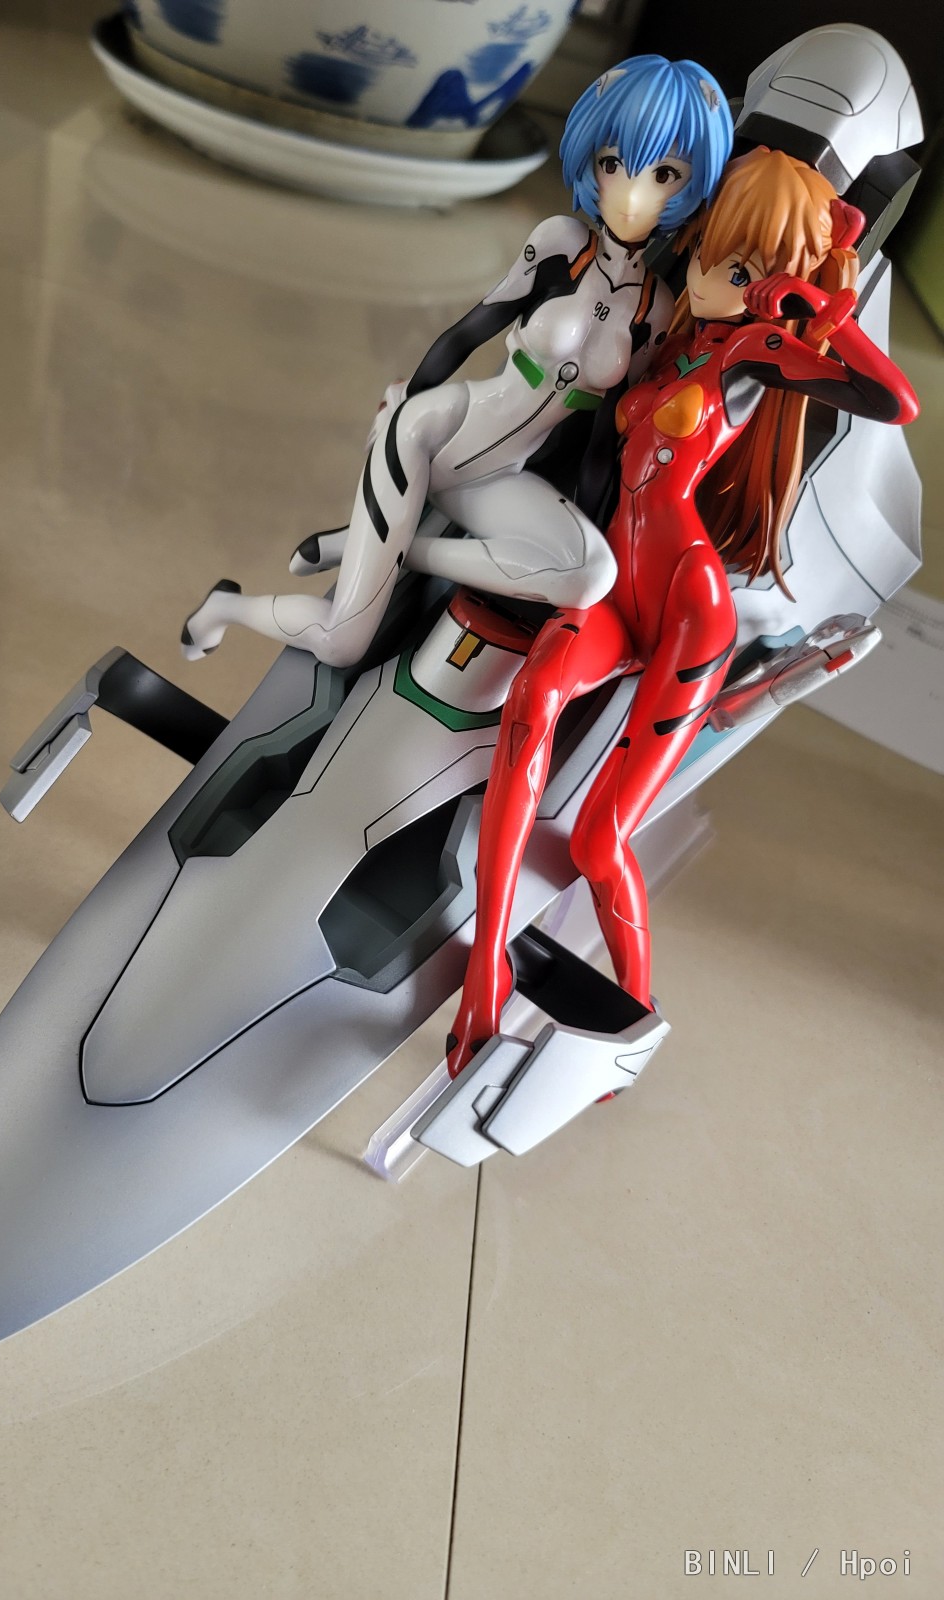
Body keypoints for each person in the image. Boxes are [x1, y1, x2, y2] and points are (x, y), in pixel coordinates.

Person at [445, 145, 919, 1077]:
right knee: (531, 704)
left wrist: (823, 309)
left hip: (687, 611)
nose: (712, 277)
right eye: (712, 252)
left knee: (598, 839)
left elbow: (892, 401)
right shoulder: (678, 331)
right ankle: (483, 970)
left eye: (743, 272)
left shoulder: (750, 348)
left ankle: (635, 1014)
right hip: (614, 587)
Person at [180, 55, 733, 669]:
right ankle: (225, 608)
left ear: (694, 187)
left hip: (501, 478)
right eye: (612, 164)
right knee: (342, 644)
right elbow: (473, 327)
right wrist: (406, 397)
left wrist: (594, 518)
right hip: (431, 435)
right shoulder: (560, 242)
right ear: (591, 162)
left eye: (665, 174)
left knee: (589, 574)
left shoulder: (655, 310)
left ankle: (397, 548)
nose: (631, 193)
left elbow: (602, 440)